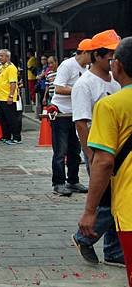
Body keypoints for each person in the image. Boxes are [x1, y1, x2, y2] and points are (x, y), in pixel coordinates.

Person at [78, 36, 132, 283]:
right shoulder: (86, 85)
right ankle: (112, 251)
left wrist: (90, 211)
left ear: (118, 65)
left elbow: (104, 162)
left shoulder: (111, 106)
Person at [72, 30, 123, 267]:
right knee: (108, 200)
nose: (115, 60)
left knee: (116, 198)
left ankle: (113, 250)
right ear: (97, 56)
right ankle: (84, 236)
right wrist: (90, 156)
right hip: (98, 148)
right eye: (111, 55)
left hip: (118, 148)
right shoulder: (84, 85)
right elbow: (82, 123)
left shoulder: (116, 80)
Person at [49, 39, 93, 196]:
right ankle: (58, 183)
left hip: (77, 113)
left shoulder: (88, 68)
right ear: (85, 53)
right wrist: (79, 90)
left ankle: (73, 180)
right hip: (61, 113)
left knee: (75, 150)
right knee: (60, 151)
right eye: (92, 54)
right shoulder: (67, 65)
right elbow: (59, 88)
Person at [0, 49, 22, 145]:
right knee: (3, 119)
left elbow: (13, 83)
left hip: (7, 97)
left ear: (7, 57)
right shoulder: (1, 67)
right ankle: (6, 136)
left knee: (11, 118)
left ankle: (16, 137)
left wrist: (10, 95)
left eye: (2, 56)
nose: (0, 57)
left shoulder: (11, 68)